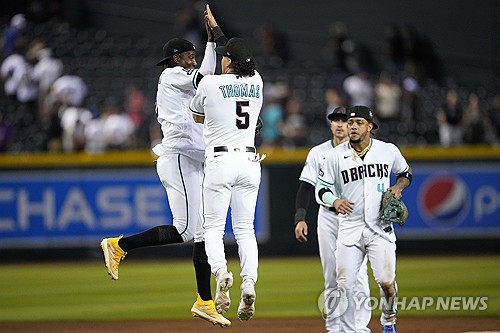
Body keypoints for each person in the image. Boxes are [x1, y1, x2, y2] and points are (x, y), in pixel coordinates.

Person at [100, 4, 231, 327]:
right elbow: (207, 77)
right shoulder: (172, 74)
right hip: (178, 158)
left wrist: (212, 40)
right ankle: (119, 245)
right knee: (188, 230)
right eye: (189, 55)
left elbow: (206, 75)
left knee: (201, 233)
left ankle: (204, 301)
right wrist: (215, 40)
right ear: (177, 58)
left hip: (191, 159)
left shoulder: (184, 78)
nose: (193, 59)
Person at [315, 106, 412, 333]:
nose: (352, 127)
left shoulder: (387, 151)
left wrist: (398, 187)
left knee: (387, 283)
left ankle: (388, 320)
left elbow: (405, 173)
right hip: (349, 229)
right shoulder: (334, 157)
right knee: (345, 286)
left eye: (358, 122)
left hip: (380, 229)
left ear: (370, 127)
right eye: (350, 123)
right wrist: (334, 201)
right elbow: (322, 188)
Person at [190, 37, 264, 321]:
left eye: (224, 56)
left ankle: (221, 272)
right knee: (246, 229)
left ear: (229, 62)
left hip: (220, 160)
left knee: (213, 229)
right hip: (249, 161)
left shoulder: (209, 83)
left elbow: (197, 117)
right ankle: (249, 283)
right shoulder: (257, 81)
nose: (221, 59)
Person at [294, 106, 371, 333]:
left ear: (353, 125)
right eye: (335, 120)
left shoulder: (365, 153)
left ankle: (359, 327)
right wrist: (300, 217)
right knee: (331, 275)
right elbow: (305, 188)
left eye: (344, 120)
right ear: (331, 125)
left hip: (355, 219)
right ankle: (334, 327)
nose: (339, 124)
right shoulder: (318, 153)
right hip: (327, 217)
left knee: (359, 276)